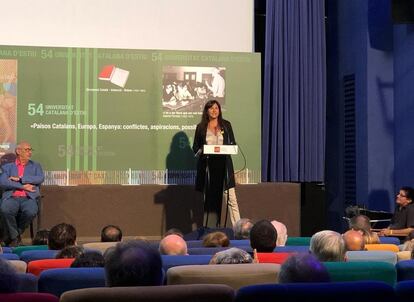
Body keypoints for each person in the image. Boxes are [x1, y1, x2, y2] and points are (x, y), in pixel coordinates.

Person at [193, 100, 240, 228]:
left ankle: (239, 230)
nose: (214, 111)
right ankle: (209, 229)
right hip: (208, 167)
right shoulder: (201, 127)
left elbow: (232, 143)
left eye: (216, 108)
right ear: (206, 111)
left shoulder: (226, 125)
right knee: (209, 200)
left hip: (224, 166)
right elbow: (195, 148)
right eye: (211, 108)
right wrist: (202, 150)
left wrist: (230, 147)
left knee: (231, 199)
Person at [0, 141, 44, 246]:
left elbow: (40, 178)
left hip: (29, 197)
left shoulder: (36, 166)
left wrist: (20, 179)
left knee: (31, 211)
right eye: (27, 150)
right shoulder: (8, 167)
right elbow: (3, 182)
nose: (30, 152)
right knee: (5, 210)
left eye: (30, 150)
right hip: (12, 197)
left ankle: (13, 236)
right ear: (18, 151)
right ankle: (15, 237)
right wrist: (22, 186)